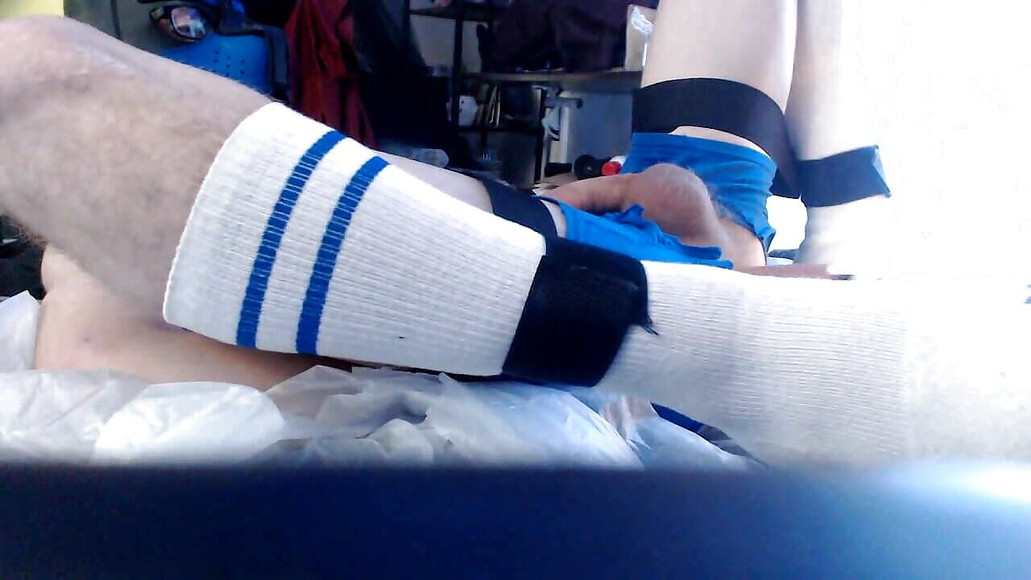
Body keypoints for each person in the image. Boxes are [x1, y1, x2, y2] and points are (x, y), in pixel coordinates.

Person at [0, 5, 1027, 465]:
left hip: (657, 280)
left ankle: (754, 331)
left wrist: (592, 211)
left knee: (36, 102)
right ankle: (766, 324)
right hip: (693, 260)